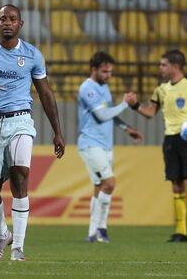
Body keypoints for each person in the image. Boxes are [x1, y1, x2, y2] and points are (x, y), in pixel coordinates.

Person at [0, 4, 65, 261]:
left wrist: (57, 131)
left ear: (21, 24)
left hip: (21, 121)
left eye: (12, 19)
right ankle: (1, 234)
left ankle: (18, 246)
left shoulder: (32, 55)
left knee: (21, 173)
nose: (7, 22)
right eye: (3, 18)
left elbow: (45, 93)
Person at [129, 49, 187, 243]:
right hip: (170, 140)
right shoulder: (160, 90)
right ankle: (181, 232)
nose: (160, 68)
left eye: (163, 64)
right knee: (176, 185)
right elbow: (151, 113)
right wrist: (135, 106)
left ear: (175, 66)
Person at [77, 52, 143, 243]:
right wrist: (125, 104)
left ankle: (92, 233)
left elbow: (109, 113)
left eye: (111, 72)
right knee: (110, 183)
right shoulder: (87, 88)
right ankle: (101, 228)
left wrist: (126, 128)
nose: (109, 76)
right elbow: (102, 116)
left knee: (99, 186)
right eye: (105, 71)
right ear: (94, 69)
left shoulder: (104, 87)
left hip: (105, 145)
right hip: (90, 144)